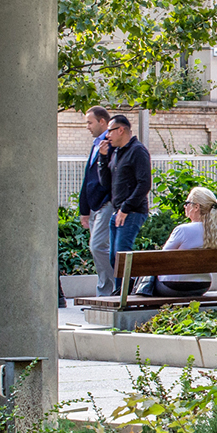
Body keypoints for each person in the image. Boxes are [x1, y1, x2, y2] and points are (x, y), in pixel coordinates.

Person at [139, 186, 217, 296]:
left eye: (187, 203)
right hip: (202, 285)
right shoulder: (216, 233)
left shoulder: (182, 230)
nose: (185, 206)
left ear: (196, 207)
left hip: (173, 285)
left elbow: (160, 258)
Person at [96, 113, 152, 259]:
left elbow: (144, 184)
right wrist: (102, 157)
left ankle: (129, 276)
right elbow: (106, 183)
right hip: (117, 211)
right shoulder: (116, 152)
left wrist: (126, 208)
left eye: (110, 131)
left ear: (121, 130)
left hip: (132, 211)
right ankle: (123, 277)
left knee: (121, 257)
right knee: (114, 258)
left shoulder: (137, 151)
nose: (107, 135)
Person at [77, 106, 116, 296]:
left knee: (98, 246)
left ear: (102, 122)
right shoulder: (96, 144)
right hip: (94, 206)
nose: (87, 126)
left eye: (89, 122)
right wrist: (84, 210)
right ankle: (106, 291)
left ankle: (117, 287)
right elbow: (88, 178)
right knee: (98, 249)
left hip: (106, 204)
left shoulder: (112, 143)